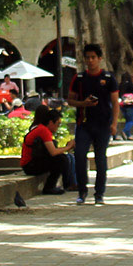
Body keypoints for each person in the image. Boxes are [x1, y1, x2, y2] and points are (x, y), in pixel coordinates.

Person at [67, 43, 119, 205]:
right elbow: (70, 100)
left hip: (103, 124)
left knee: (100, 158)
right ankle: (82, 191)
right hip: (84, 124)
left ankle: (99, 193)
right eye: (88, 58)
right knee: (80, 155)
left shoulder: (108, 79)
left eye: (93, 57)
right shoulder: (79, 79)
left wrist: (114, 123)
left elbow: (115, 102)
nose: (90, 61)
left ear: (99, 59)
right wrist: (83, 104)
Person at [19, 106, 72, 194]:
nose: (58, 127)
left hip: (33, 162)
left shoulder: (42, 129)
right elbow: (53, 152)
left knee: (62, 157)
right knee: (61, 160)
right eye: (58, 124)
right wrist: (68, 147)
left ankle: (66, 184)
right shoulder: (43, 131)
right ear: (51, 122)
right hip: (30, 165)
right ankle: (51, 187)